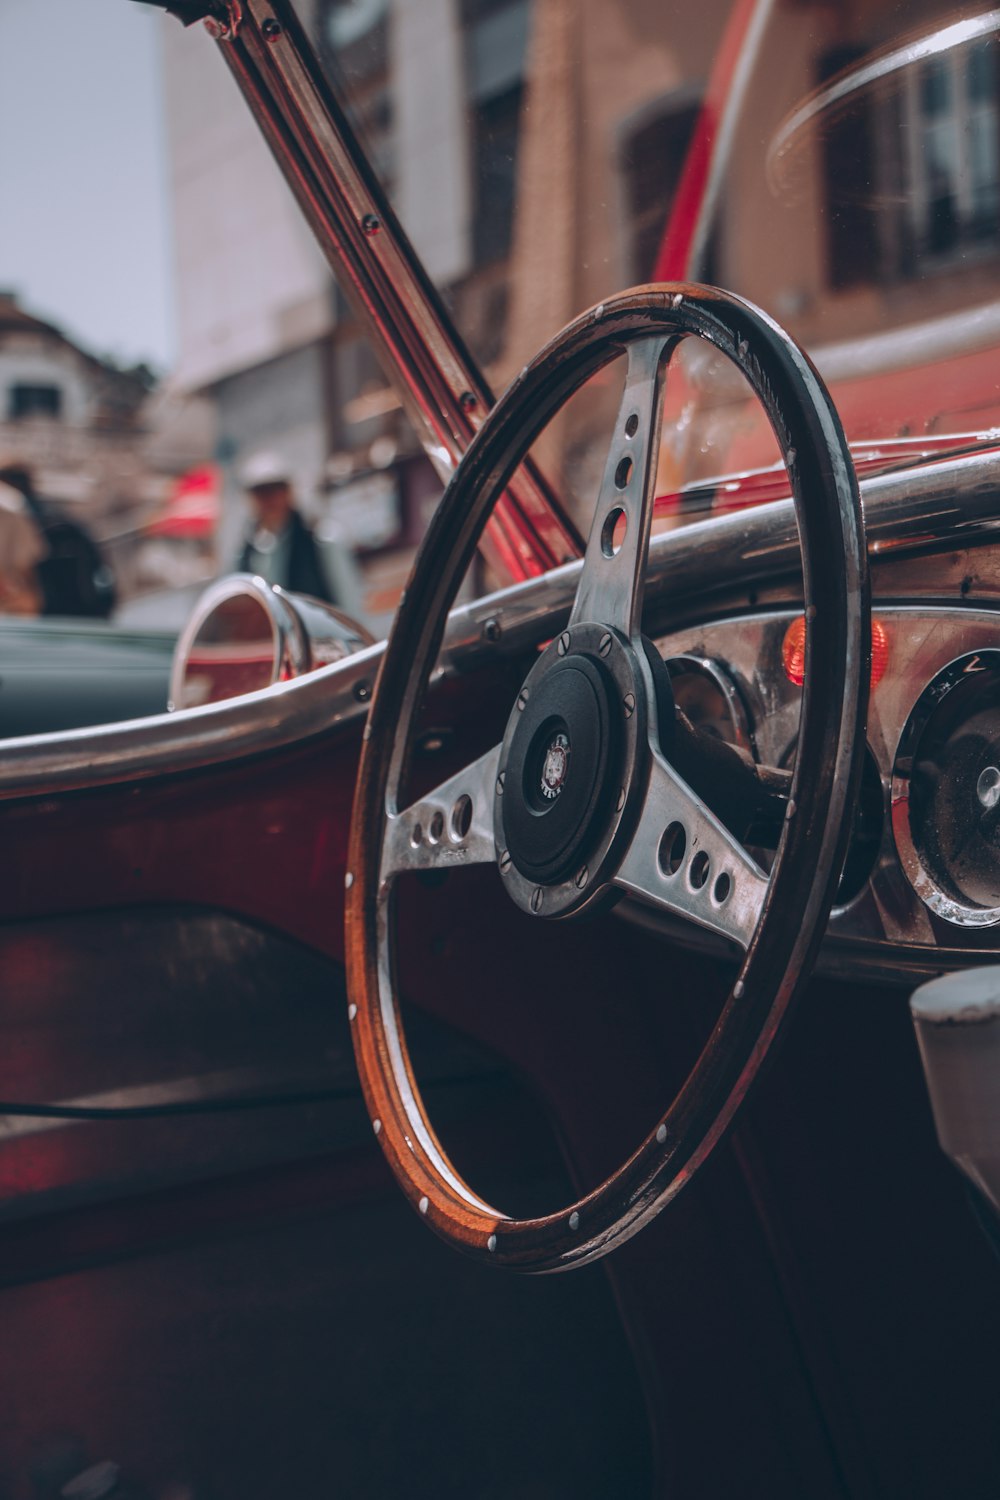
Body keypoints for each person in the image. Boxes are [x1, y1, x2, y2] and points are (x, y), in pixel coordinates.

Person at [236, 451, 336, 604]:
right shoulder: (247, 554)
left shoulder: (320, 539)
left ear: (288, 492)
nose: (269, 500)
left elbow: (350, 601)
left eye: (275, 490)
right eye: (261, 493)